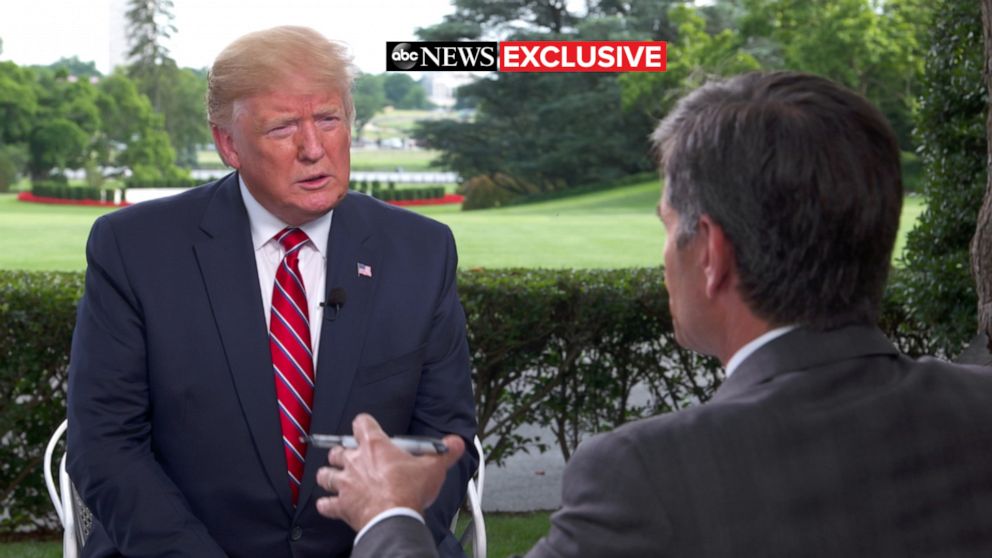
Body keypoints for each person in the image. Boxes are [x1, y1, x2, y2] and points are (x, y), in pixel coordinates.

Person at [314, 71, 992, 557]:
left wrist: (387, 516)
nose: (665, 254)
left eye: (669, 228)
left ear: (711, 255)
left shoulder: (647, 475)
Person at [66, 26, 477, 558]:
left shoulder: (421, 250)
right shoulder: (134, 249)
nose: (313, 148)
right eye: (283, 127)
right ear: (228, 144)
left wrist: (385, 544)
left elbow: (443, 440)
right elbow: (106, 446)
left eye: (328, 119)